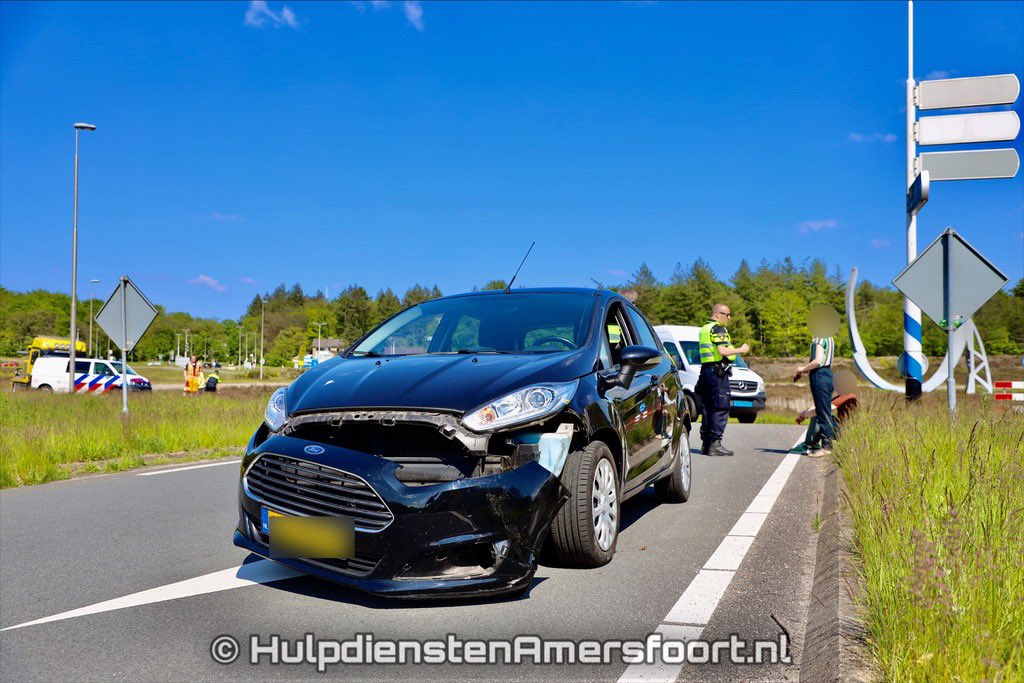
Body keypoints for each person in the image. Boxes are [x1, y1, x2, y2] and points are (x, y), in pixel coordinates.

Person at [697, 303, 750, 457]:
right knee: (720, 408)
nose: (729, 318)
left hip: (706, 371)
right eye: (727, 314)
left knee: (708, 408)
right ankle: (715, 444)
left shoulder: (704, 329)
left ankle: (706, 444)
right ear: (718, 314)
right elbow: (722, 350)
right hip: (717, 373)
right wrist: (741, 349)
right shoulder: (718, 329)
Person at [793, 331, 837, 456]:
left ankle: (827, 446)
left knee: (823, 412)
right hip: (827, 374)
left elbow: (817, 361)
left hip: (820, 375)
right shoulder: (829, 337)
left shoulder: (819, 337)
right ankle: (826, 443)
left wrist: (803, 369)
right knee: (824, 410)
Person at [789, 390, 858, 455]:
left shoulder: (846, 396)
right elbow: (819, 405)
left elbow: (820, 410)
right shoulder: (846, 395)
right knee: (821, 411)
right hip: (845, 430)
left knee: (820, 414)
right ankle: (813, 444)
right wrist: (804, 415)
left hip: (844, 432)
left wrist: (803, 414)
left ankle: (809, 445)